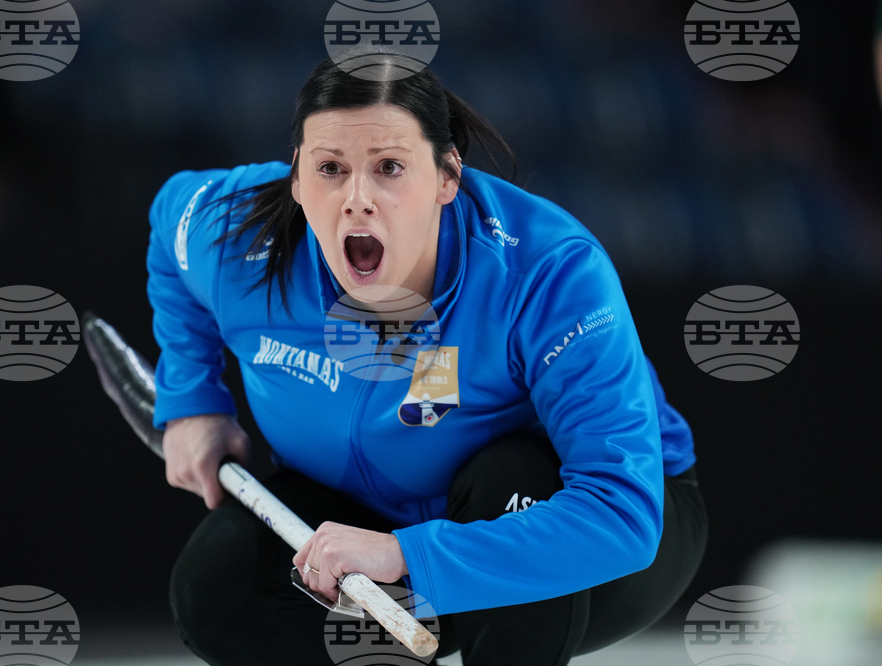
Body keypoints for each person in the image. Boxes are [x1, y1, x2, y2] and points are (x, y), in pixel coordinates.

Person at [146, 46, 708, 666]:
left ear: (447, 177)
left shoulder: (549, 272)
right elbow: (169, 222)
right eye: (330, 168)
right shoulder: (240, 235)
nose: (357, 198)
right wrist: (191, 399)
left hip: (573, 537)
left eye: (389, 167)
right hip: (360, 514)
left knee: (511, 479)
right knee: (217, 587)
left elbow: (621, 516)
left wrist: (407, 555)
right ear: (298, 180)